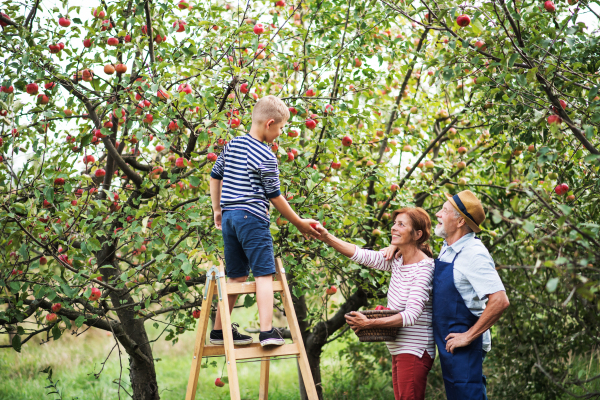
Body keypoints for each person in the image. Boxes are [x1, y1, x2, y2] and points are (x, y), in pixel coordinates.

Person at [209, 95, 319, 347]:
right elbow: (275, 196)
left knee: (235, 276)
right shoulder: (266, 155)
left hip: (229, 219)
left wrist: (217, 209)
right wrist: (299, 222)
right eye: (280, 128)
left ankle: (218, 332)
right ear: (270, 123)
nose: (280, 133)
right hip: (252, 218)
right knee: (264, 275)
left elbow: (215, 177)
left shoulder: (231, 145)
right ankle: (267, 332)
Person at [314, 207, 436, 400]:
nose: (394, 228)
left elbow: (411, 315)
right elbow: (360, 255)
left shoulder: (424, 268)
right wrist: (327, 237)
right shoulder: (398, 259)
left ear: (417, 234)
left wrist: (369, 323)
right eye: (394, 223)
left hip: (414, 349)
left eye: (401, 224)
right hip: (399, 348)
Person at [431, 190, 509, 399]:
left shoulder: (474, 253)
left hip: (465, 346)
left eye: (445, 211)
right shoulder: (449, 247)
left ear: (459, 222)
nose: (438, 214)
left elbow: (500, 301)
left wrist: (468, 336)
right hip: (450, 344)